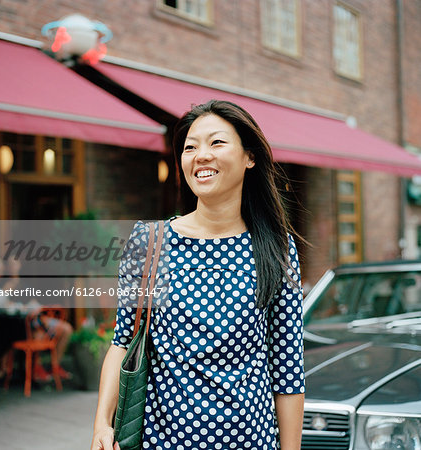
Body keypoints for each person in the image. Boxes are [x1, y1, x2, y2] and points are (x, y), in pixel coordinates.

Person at [91, 100, 305, 450]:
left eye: (216, 142)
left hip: (252, 442)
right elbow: (122, 343)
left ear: (249, 157)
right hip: (162, 442)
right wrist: (102, 423)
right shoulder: (148, 243)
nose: (201, 155)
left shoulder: (277, 249)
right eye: (190, 147)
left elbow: (288, 369)